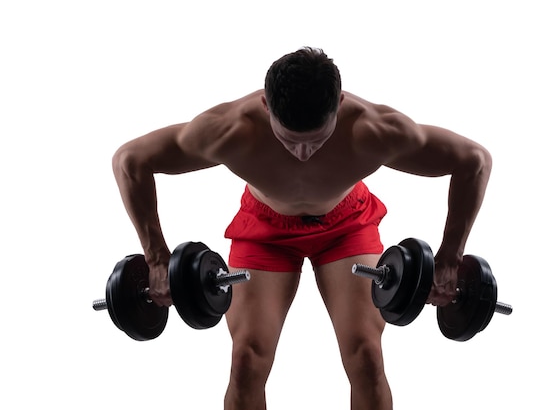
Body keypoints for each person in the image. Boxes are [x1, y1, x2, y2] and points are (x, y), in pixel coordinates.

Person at [112, 47, 492, 410]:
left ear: (339, 104)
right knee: (246, 360)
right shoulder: (227, 131)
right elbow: (130, 161)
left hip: (346, 224)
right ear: (266, 105)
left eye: (317, 140)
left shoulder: (377, 131)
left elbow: (474, 162)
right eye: (290, 140)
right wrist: (157, 259)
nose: (303, 154)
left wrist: (448, 259)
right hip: (265, 228)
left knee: (366, 356)